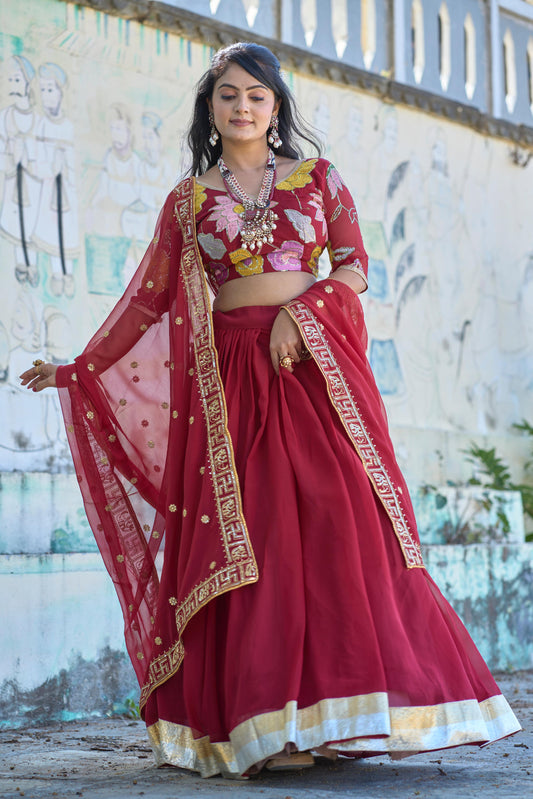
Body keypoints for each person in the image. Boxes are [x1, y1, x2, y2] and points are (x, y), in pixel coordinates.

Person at [20, 42, 520, 779]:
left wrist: (303, 312)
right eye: (227, 95)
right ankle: (270, 726)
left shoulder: (319, 180)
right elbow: (148, 299)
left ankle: (336, 712)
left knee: (334, 527)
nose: (242, 106)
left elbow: (353, 266)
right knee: (252, 538)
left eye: (256, 95)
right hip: (228, 384)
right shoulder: (187, 200)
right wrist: (79, 369)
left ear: (276, 107)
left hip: (314, 374)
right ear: (211, 109)